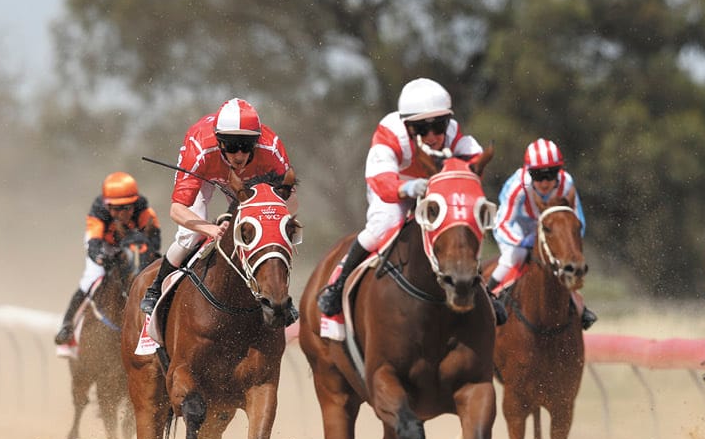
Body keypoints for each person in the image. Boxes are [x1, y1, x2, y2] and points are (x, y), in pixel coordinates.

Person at [315, 77, 501, 322]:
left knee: (460, 225)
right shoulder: (390, 135)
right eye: (422, 128)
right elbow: (381, 181)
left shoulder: (455, 136)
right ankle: (337, 285)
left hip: (435, 189)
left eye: (439, 126)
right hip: (395, 189)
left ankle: (483, 289)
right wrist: (408, 187)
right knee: (382, 226)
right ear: (407, 127)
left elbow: (473, 170)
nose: (433, 136)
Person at [138, 97, 297, 315]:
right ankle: (156, 288)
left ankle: (279, 294)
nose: (239, 155)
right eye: (231, 146)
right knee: (190, 236)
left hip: (248, 181)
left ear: (256, 142)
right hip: (207, 173)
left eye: (246, 147)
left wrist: (272, 219)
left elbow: (290, 200)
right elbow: (177, 210)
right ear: (219, 141)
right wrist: (210, 229)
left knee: (266, 231)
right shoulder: (200, 147)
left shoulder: (271, 149)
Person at [489, 138, 596, 330]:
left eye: (551, 174)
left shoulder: (567, 184)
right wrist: (523, 242)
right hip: (519, 231)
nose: (545, 182)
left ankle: (578, 305)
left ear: (559, 171)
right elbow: (501, 225)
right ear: (529, 172)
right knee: (515, 256)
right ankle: (488, 295)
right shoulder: (517, 187)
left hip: (552, 231)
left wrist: (569, 244)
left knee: (562, 261)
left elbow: (578, 220)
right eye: (538, 176)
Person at [55, 172, 162, 346]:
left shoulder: (145, 211)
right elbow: (94, 244)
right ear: (107, 206)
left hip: (132, 248)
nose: (122, 213)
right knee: (91, 279)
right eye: (116, 208)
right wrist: (103, 257)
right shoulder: (98, 212)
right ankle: (67, 325)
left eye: (127, 207)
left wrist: (142, 249)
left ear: (135, 203)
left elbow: (155, 242)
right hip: (105, 247)